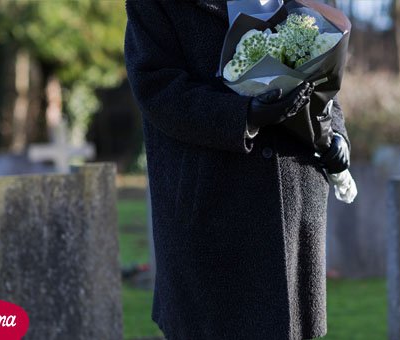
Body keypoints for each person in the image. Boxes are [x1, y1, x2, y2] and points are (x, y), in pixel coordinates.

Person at [124, 1, 350, 339]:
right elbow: (156, 86)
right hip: (209, 211)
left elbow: (324, 76)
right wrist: (244, 114)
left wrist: (335, 134)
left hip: (293, 201)